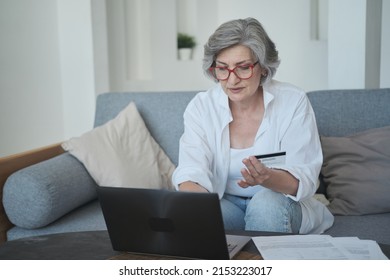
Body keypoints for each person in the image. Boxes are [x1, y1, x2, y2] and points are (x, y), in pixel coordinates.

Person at [172, 17, 333, 234]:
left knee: (264, 205)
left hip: (280, 201)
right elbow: (192, 171)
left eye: (243, 67)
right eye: (222, 68)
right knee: (199, 215)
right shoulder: (201, 107)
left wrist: (268, 178)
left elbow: (304, 179)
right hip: (227, 203)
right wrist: (193, 211)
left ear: (264, 68)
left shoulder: (293, 101)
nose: (232, 80)